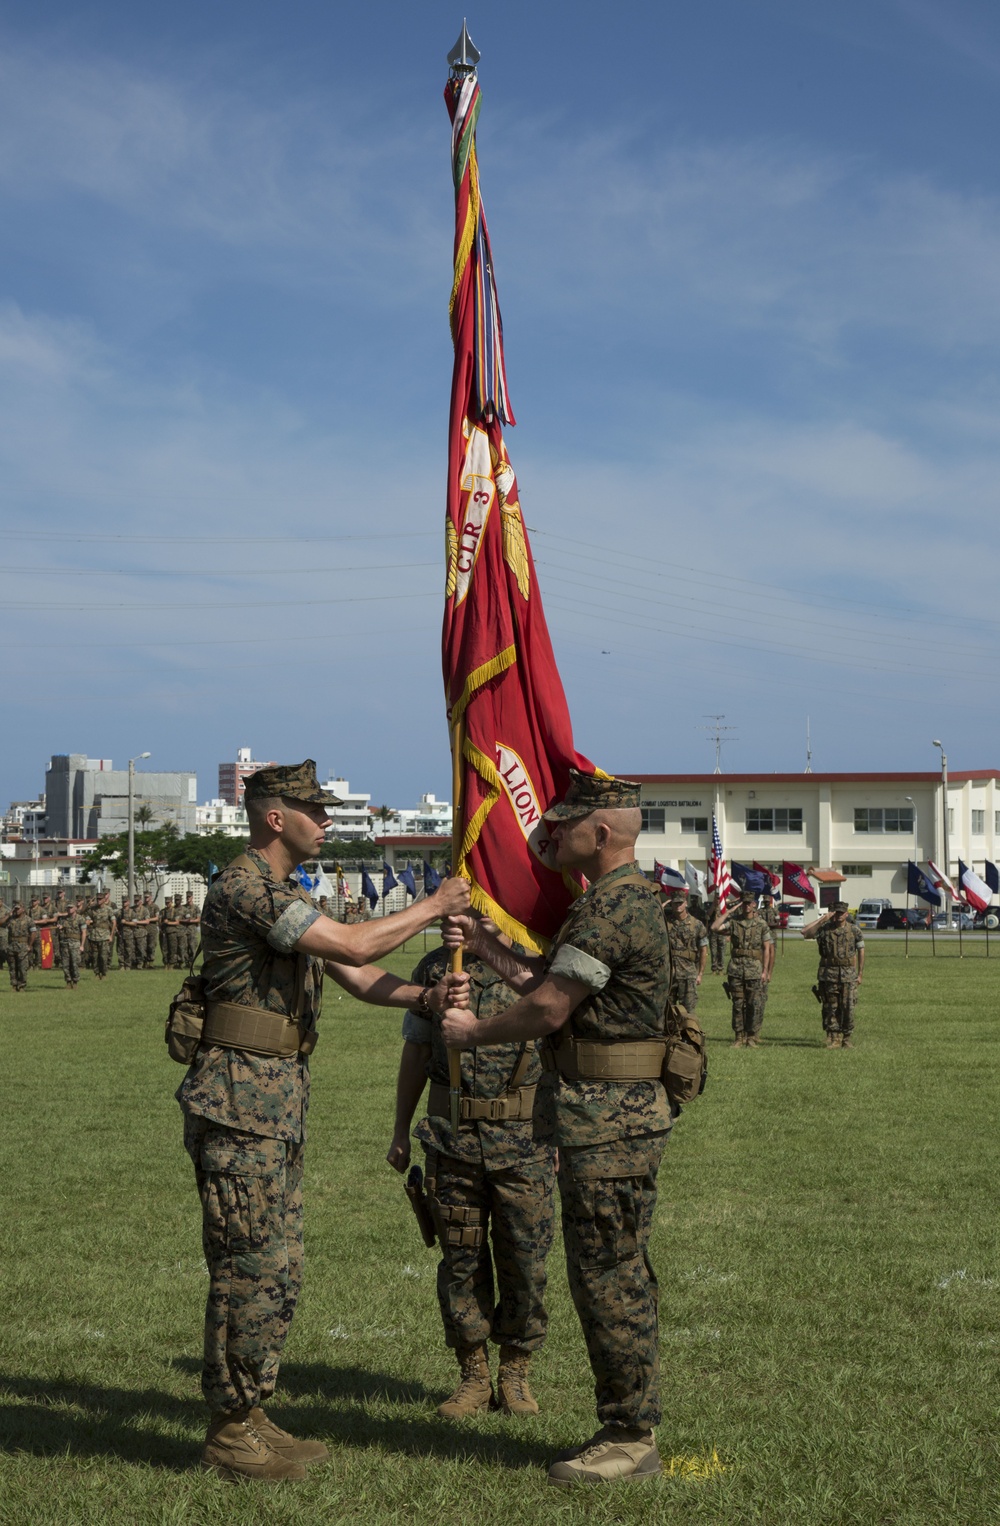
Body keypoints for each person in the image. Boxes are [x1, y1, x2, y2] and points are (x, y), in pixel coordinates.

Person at [177, 760, 470, 1484]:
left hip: (271, 1104)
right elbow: (356, 946)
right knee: (248, 1265)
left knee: (278, 1265)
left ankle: (249, 1415)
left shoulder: (281, 892)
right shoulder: (245, 887)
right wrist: (432, 907)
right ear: (276, 817)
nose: (328, 821)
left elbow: (362, 977)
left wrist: (425, 1000)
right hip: (240, 1105)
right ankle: (228, 1427)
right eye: (317, 810)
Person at [441, 769, 672, 1489]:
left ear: (601, 833)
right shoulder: (610, 903)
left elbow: (547, 1010)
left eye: (566, 822)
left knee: (610, 1277)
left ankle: (629, 1436)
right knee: (607, 1270)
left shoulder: (615, 907)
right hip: (604, 1119)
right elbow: (546, 980)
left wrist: (474, 1030)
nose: (549, 832)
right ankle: (624, 1426)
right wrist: (484, 945)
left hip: (611, 1123)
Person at [384, 923, 554, 1421]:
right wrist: (399, 1130)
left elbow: (558, 1051)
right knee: (461, 1258)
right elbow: (416, 1050)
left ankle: (516, 1371)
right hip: (452, 1137)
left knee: (526, 1259)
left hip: (525, 1142)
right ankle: (474, 1376)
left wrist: (558, 1130)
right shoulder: (437, 970)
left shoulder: (534, 969)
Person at [712, 891, 774, 1047]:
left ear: (754, 904)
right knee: (738, 1004)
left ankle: (751, 1037)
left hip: (754, 969)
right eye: (744, 903)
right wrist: (729, 911)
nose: (746, 906)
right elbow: (715, 927)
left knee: (754, 1003)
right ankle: (739, 1037)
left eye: (749, 903)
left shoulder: (761, 924)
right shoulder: (734, 922)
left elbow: (767, 949)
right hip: (736, 969)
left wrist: (765, 971)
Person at [803, 900, 865, 1048]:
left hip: (848, 974)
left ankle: (847, 1038)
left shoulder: (854, 930)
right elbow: (806, 933)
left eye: (841, 913)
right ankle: (834, 1038)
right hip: (829, 974)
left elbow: (861, 951)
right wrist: (823, 919)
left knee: (848, 1006)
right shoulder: (825, 929)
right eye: (835, 913)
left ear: (846, 914)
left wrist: (860, 973)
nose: (838, 916)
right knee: (831, 1007)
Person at [663, 893, 707, 1013]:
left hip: (688, 974)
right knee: (666, 1011)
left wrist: (700, 974)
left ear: (686, 903)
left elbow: (704, 949)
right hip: (669, 974)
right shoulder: (665, 923)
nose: (678, 906)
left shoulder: (697, 924)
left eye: (680, 903)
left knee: (688, 1012)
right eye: (675, 903)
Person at [4, 903, 36, 991]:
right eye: (15, 909)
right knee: (12, 967)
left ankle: (21, 985)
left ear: (23, 909)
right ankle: (14, 985)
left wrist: (30, 945)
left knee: (22, 967)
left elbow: (33, 933)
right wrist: (8, 915)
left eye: (18, 909)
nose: (16, 910)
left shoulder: (28, 920)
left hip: (23, 945)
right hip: (12, 945)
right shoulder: (10, 919)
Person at [86, 892, 117, 981]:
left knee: (103, 956)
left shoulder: (108, 909)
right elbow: (88, 919)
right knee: (95, 957)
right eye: (97, 899)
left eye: (100, 899)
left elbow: (114, 922)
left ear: (104, 899)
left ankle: (103, 973)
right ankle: (96, 973)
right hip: (94, 936)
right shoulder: (92, 909)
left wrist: (111, 935)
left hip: (104, 936)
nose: (99, 901)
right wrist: (87, 922)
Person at [58, 900, 86, 988]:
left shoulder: (80, 918)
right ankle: (68, 981)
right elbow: (60, 931)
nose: (69, 909)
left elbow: (84, 932)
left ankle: (75, 981)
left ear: (75, 908)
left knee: (75, 963)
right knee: (65, 964)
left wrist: (82, 945)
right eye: (68, 908)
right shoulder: (63, 919)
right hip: (65, 943)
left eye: (71, 907)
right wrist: (60, 928)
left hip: (75, 943)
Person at [707, 893, 730, 974]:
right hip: (713, 933)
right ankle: (714, 968)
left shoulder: (724, 908)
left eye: (719, 898)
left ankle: (720, 968)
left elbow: (728, 921)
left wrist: (728, 935)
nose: (717, 900)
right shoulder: (712, 906)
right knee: (713, 951)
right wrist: (714, 905)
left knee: (722, 951)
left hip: (722, 932)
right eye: (716, 898)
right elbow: (709, 914)